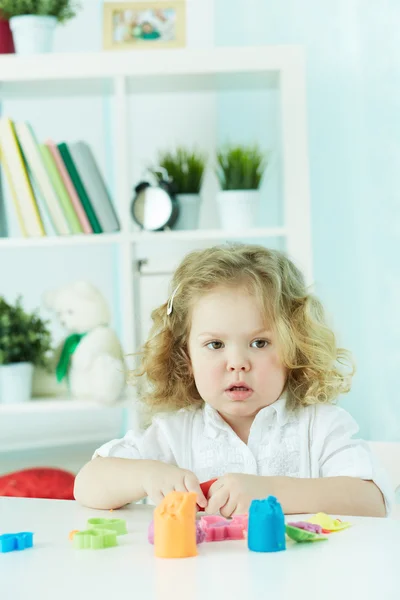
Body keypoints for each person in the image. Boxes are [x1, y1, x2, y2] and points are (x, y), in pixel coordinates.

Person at [74, 244, 392, 517]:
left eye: (259, 343)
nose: (237, 363)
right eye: (215, 345)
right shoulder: (174, 434)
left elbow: (372, 501)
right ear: (185, 357)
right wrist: (147, 475)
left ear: (295, 346)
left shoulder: (320, 426)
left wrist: (270, 493)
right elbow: (87, 484)